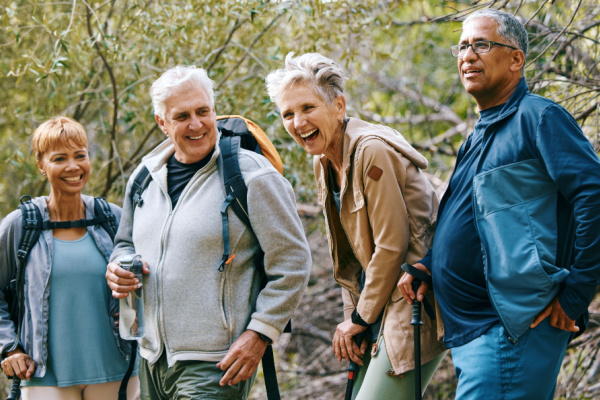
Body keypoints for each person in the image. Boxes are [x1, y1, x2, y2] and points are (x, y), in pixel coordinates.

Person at [398, 9, 600, 400]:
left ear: (516, 59)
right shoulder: (480, 132)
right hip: (477, 331)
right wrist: (430, 265)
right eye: (462, 47)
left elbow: (594, 195)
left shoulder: (538, 117)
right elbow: (472, 218)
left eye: (482, 44)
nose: (467, 56)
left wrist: (576, 293)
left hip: (513, 326)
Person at [105, 65, 311, 400]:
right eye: (182, 116)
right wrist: (119, 266)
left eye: (203, 111)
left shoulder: (252, 177)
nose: (197, 124)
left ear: (214, 111)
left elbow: (293, 262)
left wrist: (261, 332)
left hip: (216, 362)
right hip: (151, 358)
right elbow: (124, 243)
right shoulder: (144, 177)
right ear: (161, 122)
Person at [266, 53, 447, 399]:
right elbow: (348, 255)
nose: (298, 121)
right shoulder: (324, 162)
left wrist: (360, 319)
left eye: (307, 107)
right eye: (288, 113)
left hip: (414, 301)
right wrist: (354, 318)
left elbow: (391, 246)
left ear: (338, 106)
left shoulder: (371, 151)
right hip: (380, 300)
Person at [0, 116, 139, 399]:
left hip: (116, 370)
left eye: (80, 156)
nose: (73, 167)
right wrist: (10, 347)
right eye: (60, 158)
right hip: (44, 375)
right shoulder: (21, 226)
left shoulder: (111, 218)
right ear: (41, 164)